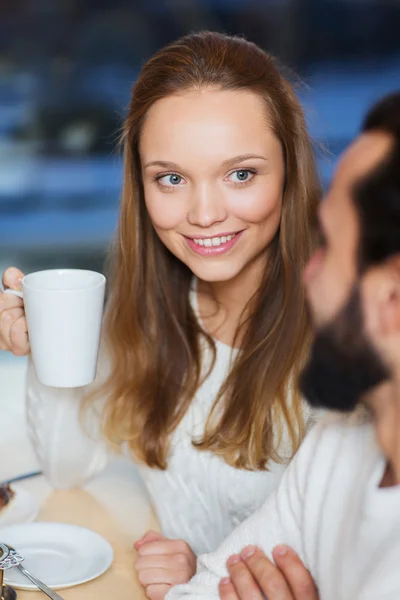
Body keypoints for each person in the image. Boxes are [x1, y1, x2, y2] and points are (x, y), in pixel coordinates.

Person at [0, 31, 321, 600]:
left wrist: (202, 573)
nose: (203, 213)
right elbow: (67, 470)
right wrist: (45, 350)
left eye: (240, 174)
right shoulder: (155, 314)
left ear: (290, 172)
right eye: (171, 178)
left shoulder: (346, 347)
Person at [167, 90, 400, 600]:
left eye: (329, 248)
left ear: (391, 299)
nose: (307, 273)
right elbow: (201, 590)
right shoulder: (337, 448)